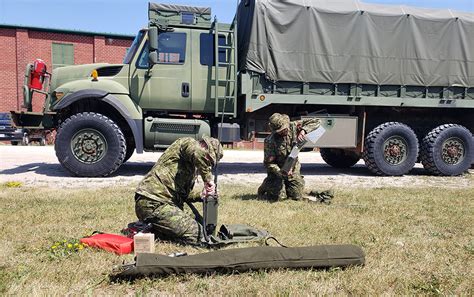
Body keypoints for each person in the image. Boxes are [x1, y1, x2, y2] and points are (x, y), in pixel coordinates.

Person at [134, 136, 223, 245]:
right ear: (203, 145)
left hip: (166, 205)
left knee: (202, 226)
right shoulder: (187, 143)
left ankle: (152, 228)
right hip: (153, 202)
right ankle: (153, 228)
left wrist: (201, 195)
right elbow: (198, 154)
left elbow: (183, 195)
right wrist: (208, 180)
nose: (207, 163)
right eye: (208, 159)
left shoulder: (191, 168)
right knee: (200, 235)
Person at [258, 113, 320, 201]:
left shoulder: (293, 126)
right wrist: (281, 172)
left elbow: (317, 121)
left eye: (284, 129)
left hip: (293, 167)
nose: (283, 131)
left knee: (296, 197)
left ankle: (289, 185)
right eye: (280, 131)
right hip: (278, 171)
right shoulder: (270, 141)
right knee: (280, 198)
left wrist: (303, 131)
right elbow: (269, 163)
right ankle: (266, 186)